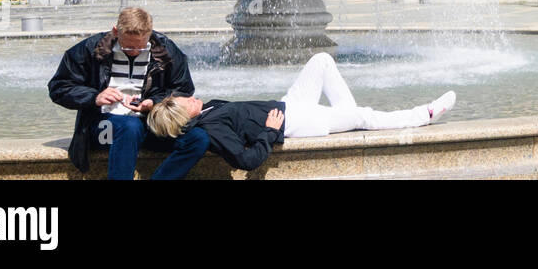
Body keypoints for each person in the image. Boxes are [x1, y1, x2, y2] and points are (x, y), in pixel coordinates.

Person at [146, 53, 456, 173]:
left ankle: (349, 116)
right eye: (183, 101)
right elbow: (246, 160)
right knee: (363, 117)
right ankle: (424, 115)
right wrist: (269, 131)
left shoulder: (209, 108)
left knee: (321, 61)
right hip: (294, 122)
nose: (188, 97)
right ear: (183, 116)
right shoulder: (209, 130)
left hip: (289, 104)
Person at [47, 7, 209, 180]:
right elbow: (59, 87)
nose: (135, 51)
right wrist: (95, 97)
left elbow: (184, 88)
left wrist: (154, 102)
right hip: (103, 125)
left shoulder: (166, 50)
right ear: (116, 31)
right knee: (130, 127)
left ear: (150, 32)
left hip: (150, 122)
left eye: (141, 46)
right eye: (129, 46)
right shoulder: (90, 49)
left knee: (198, 138)